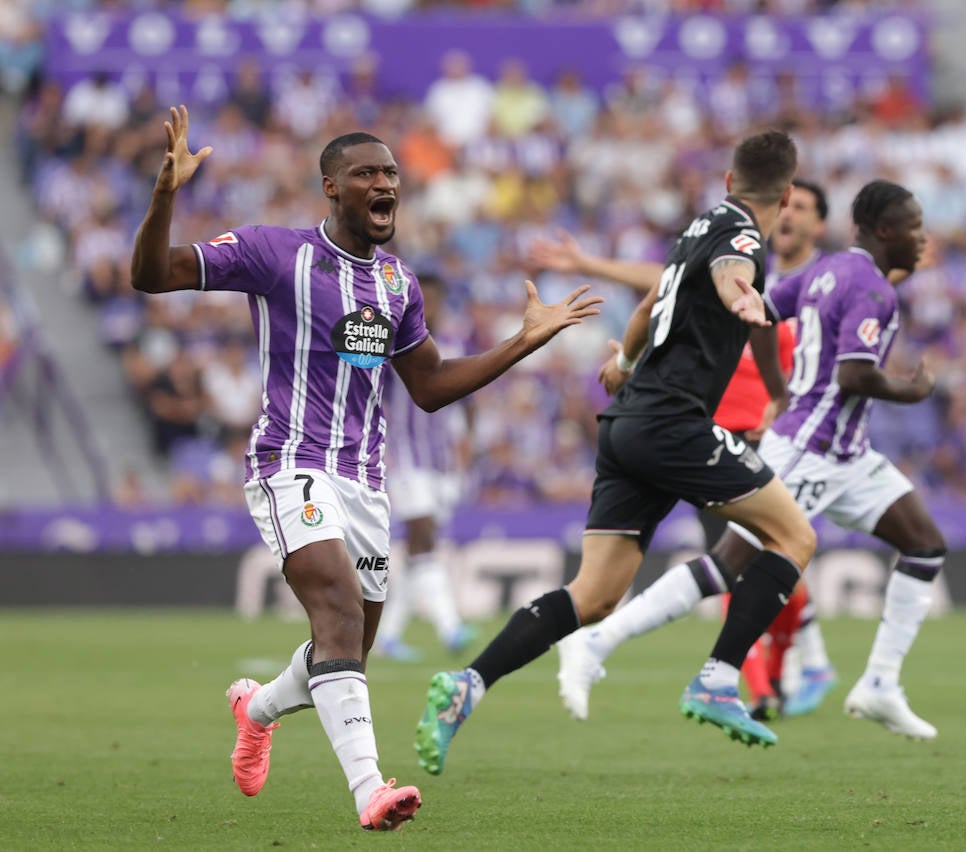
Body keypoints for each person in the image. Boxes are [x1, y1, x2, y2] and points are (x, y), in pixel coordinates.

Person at [130, 106, 601, 830]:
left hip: (365, 484)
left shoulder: (397, 285)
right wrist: (165, 194)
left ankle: (255, 710)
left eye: (391, 174)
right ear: (332, 188)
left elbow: (432, 386)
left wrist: (524, 341)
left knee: (344, 645)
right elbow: (153, 275)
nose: (385, 183)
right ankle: (370, 792)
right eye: (367, 174)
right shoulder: (272, 253)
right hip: (290, 463)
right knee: (340, 617)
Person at [415, 131, 817, 775]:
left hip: (626, 423)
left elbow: (656, 299)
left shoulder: (699, 226)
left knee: (596, 594)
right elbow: (730, 273)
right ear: (789, 195)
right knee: (794, 537)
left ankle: (469, 684)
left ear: (726, 180)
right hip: (674, 423)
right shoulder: (742, 238)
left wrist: (626, 361)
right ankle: (718, 678)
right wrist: (741, 290)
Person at [554, 180, 947, 740]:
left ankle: (880, 683)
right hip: (810, 449)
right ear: (885, 230)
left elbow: (758, 309)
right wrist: (913, 389)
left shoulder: (829, 272)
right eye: (914, 227)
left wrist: (776, 388)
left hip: (847, 453)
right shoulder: (872, 292)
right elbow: (854, 375)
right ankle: (600, 638)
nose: (922, 238)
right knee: (726, 565)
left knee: (925, 544)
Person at [534, 180, 840, 721]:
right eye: (788, 207)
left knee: (770, 551)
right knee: (754, 555)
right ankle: (764, 678)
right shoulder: (736, 257)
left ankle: (786, 667)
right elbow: (666, 284)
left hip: (779, 437)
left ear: (818, 224)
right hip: (709, 435)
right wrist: (591, 264)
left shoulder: (816, 285)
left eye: (804, 211)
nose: (789, 218)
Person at [373, 273, 479, 662]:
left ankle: (388, 636)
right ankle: (450, 627)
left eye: (433, 298)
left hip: (440, 463)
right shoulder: (392, 343)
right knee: (424, 537)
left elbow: (469, 405)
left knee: (419, 548)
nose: (427, 305)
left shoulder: (453, 343)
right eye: (422, 298)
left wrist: (462, 462)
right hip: (405, 458)